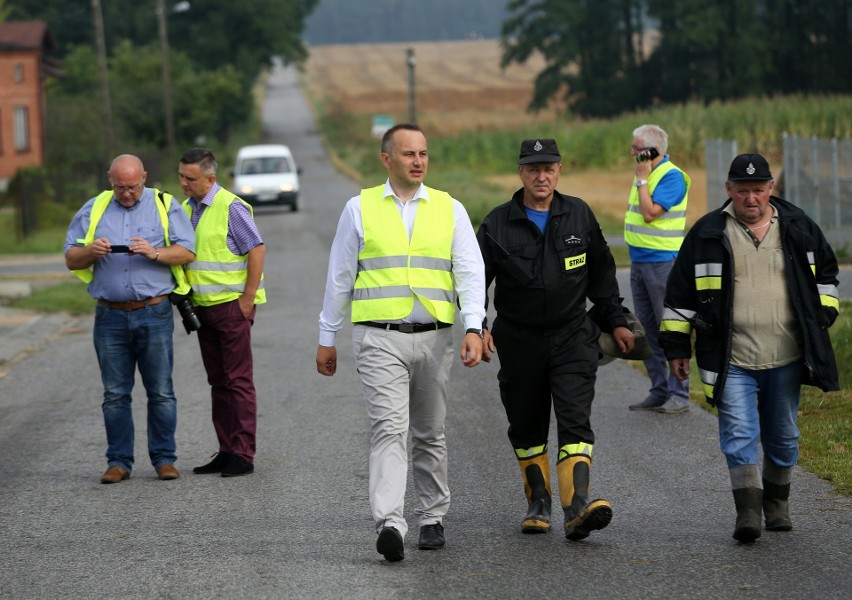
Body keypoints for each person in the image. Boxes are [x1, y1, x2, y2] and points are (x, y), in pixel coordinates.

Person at [315, 123, 486, 562]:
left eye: (424, 153)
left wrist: (473, 327)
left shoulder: (450, 208)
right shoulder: (360, 207)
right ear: (386, 159)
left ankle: (432, 517)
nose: (418, 161)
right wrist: (326, 336)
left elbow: (469, 272)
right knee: (389, 429)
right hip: (379, 338)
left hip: (434, 339)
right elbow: (340, 276)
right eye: (409, 154)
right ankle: (390, 521)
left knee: (430, 431)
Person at [660, 153, 840, 543]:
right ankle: (748, 513)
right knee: (739, 432)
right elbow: (678, 296)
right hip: (732, 359)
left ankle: (777, 505)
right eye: (743, 191)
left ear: (771, 189)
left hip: (787, 357)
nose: (751, 198)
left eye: (758, 190)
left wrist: (822, 315)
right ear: (729, 190)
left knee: (783, 435)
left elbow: (827, 275)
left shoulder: (798, 227)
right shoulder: (707, 233)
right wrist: (676, 347)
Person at [477, 138, 635, 541]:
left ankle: (577, 506)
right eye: (533, 168)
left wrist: (616, 320)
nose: (541, 175)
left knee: (575, 418)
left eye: (548, 167)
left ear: (559, 170)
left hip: (572, 337)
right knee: (527, 425)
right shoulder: (497, 224)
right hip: (518, 340)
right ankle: (539, 502)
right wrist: (476, 325)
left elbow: (602, 274)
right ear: (521, 173)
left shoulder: (579, 214)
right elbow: (475, 280)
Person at [64, 154, 196, 483]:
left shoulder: (165, 205)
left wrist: (155, 253)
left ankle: (164, 459)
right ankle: (119, 462)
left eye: (133, 187)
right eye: (120, 187)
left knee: (161, 391)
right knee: (115, 393)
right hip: (109, 315)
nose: (127, 194)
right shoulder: (94, 208)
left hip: (153, 311)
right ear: (110, 181)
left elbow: (188, 251)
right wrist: (89, 251)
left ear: (144, 178)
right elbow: (71, 258)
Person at [178, 148, 267, 478]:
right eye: (181, 176)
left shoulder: (230, 207)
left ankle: (243, 453)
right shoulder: (188, 209)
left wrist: (247, 298)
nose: (184, 183)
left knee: (238, 381)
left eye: (191, 178)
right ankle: (227, 449)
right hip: (203, 309)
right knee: (218, 382)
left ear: (210, 179)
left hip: (231, 306)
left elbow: (256, 249)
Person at [624, 124, 692, 413]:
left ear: (653, 151)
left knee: (671, 328)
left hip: (663, 262)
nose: (632, 154)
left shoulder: (671, 177)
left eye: (637, 149)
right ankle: (659, 389)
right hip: (639, 262)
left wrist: (642, 181)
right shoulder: (647, 174)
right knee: (648, 329)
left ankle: (680, 395)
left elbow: (651, 214)